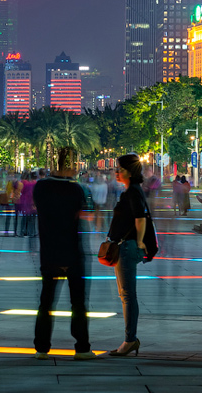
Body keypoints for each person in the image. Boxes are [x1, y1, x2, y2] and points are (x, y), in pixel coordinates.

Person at [32, 148, 93, 360]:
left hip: (49, 252)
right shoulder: (77, 190)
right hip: (73, 252)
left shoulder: (40, 188)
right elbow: (80, 216)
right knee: (77, 303)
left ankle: (41, 347)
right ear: (69, 165)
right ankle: (82, 347)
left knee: (46, 302)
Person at [107, 153, 157, 357]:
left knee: (128, 295)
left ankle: (130, 340)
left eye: (119, 168)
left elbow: (141, 218)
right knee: (126, 295)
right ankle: (130, 339)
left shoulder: (133, 192)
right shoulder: (130, 191)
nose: (116, 172)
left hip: (127, 248)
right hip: (124, 246)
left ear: (129, 171)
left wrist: (139, 242)